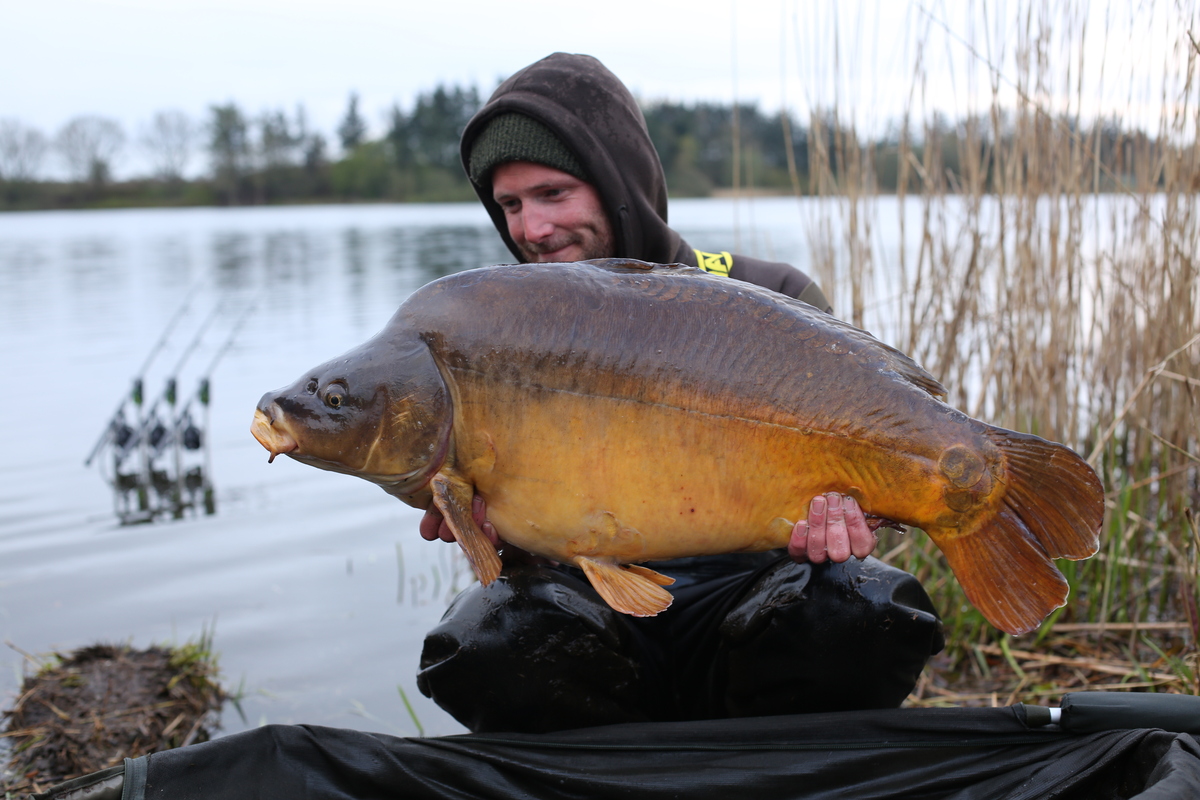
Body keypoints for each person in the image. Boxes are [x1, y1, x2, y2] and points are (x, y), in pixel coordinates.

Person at [415, 52, 944, 734]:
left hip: (752, 604)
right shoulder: (493, 340)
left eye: (552, 194)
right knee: (485, 641)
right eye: (510, 205)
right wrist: (491, 533)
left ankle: (759, 767)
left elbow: (855, 458)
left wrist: (850, 520)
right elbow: (522, 546)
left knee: (866, 609)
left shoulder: (770, 297)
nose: (530, 229)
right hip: (593, 611)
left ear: (619, 183)